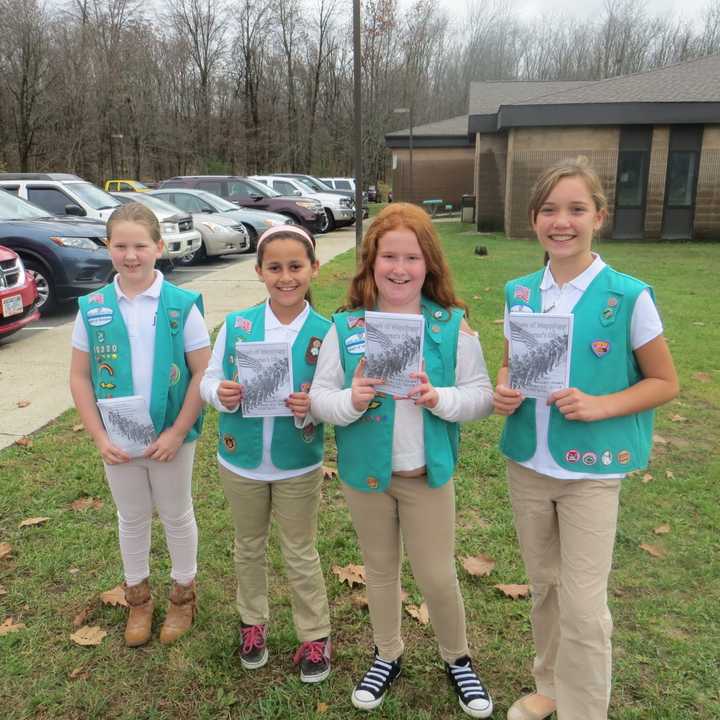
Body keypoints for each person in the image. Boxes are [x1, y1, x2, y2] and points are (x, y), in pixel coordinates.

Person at [493, 157, 679, 720]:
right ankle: (550, 685)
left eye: (576, 209)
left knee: (583, 602)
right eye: (549, 210)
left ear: (599, 216)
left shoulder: (628, 296)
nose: (562, 221)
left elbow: (665, 383)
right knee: (545, 588)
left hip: (591, 473)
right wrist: (504, 389)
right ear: (534, 220)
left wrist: (601, 406)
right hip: (529, 463)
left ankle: (584, 708)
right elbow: (510, 366)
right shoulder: (520, 292)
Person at [310, 203, 495, 718]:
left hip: (425, 474)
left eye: (410, 257)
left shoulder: (450, 325)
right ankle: (387, 652)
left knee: (436, 574)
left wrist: (441, 399)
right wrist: (354, 398)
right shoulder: (345, 327)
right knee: (380, 570)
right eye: (387, 256)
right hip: (368, 476)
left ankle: (456, 657)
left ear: (428, 265)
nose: (399, 268)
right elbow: (321, 398)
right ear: (370, 264)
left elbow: (480, 395)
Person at [69, 202, 210, 647]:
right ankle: (139, 600)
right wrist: (98, 436)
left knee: (175, 513)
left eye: (141, 246)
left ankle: (183, 596)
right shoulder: (93, 308)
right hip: (119, 440)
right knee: (131, 517)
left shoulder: (181, 305)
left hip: (171, 437)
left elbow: (202, 373)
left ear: (159, 247)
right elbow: (79, 375)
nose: (131, 256)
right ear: (108, 247)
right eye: (120, 246)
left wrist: (175, 432)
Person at [200, 225, 332, 683]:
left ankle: (314, 634)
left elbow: (336, 396)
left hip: (299, 461)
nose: (286, 277)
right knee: (248, 546)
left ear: (313, 269)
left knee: (300, 549)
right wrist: (223, 393)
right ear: (259, 272)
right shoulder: (238, 326)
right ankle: (252, 623)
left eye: (296, 267)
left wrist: (311, 402)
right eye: (274, 268)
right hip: (242, 460)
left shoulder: (326, 332)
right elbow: (208, 379)